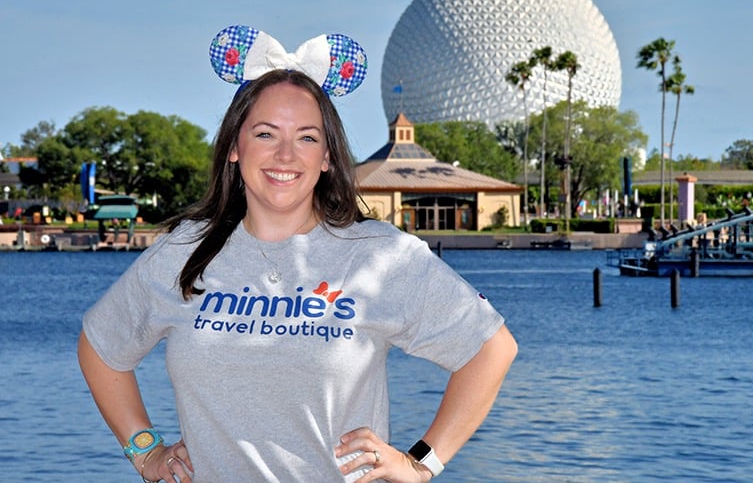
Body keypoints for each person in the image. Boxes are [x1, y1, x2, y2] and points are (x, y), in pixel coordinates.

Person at [78, 25, 517, 482]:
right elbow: (100, 347)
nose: (285, 155)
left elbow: (490, 348)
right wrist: (145, 450)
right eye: (266, 134)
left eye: (307, 137)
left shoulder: (382, 257)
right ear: (234, 146)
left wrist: (420, 462)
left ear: (327, 156)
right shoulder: (185, 251)